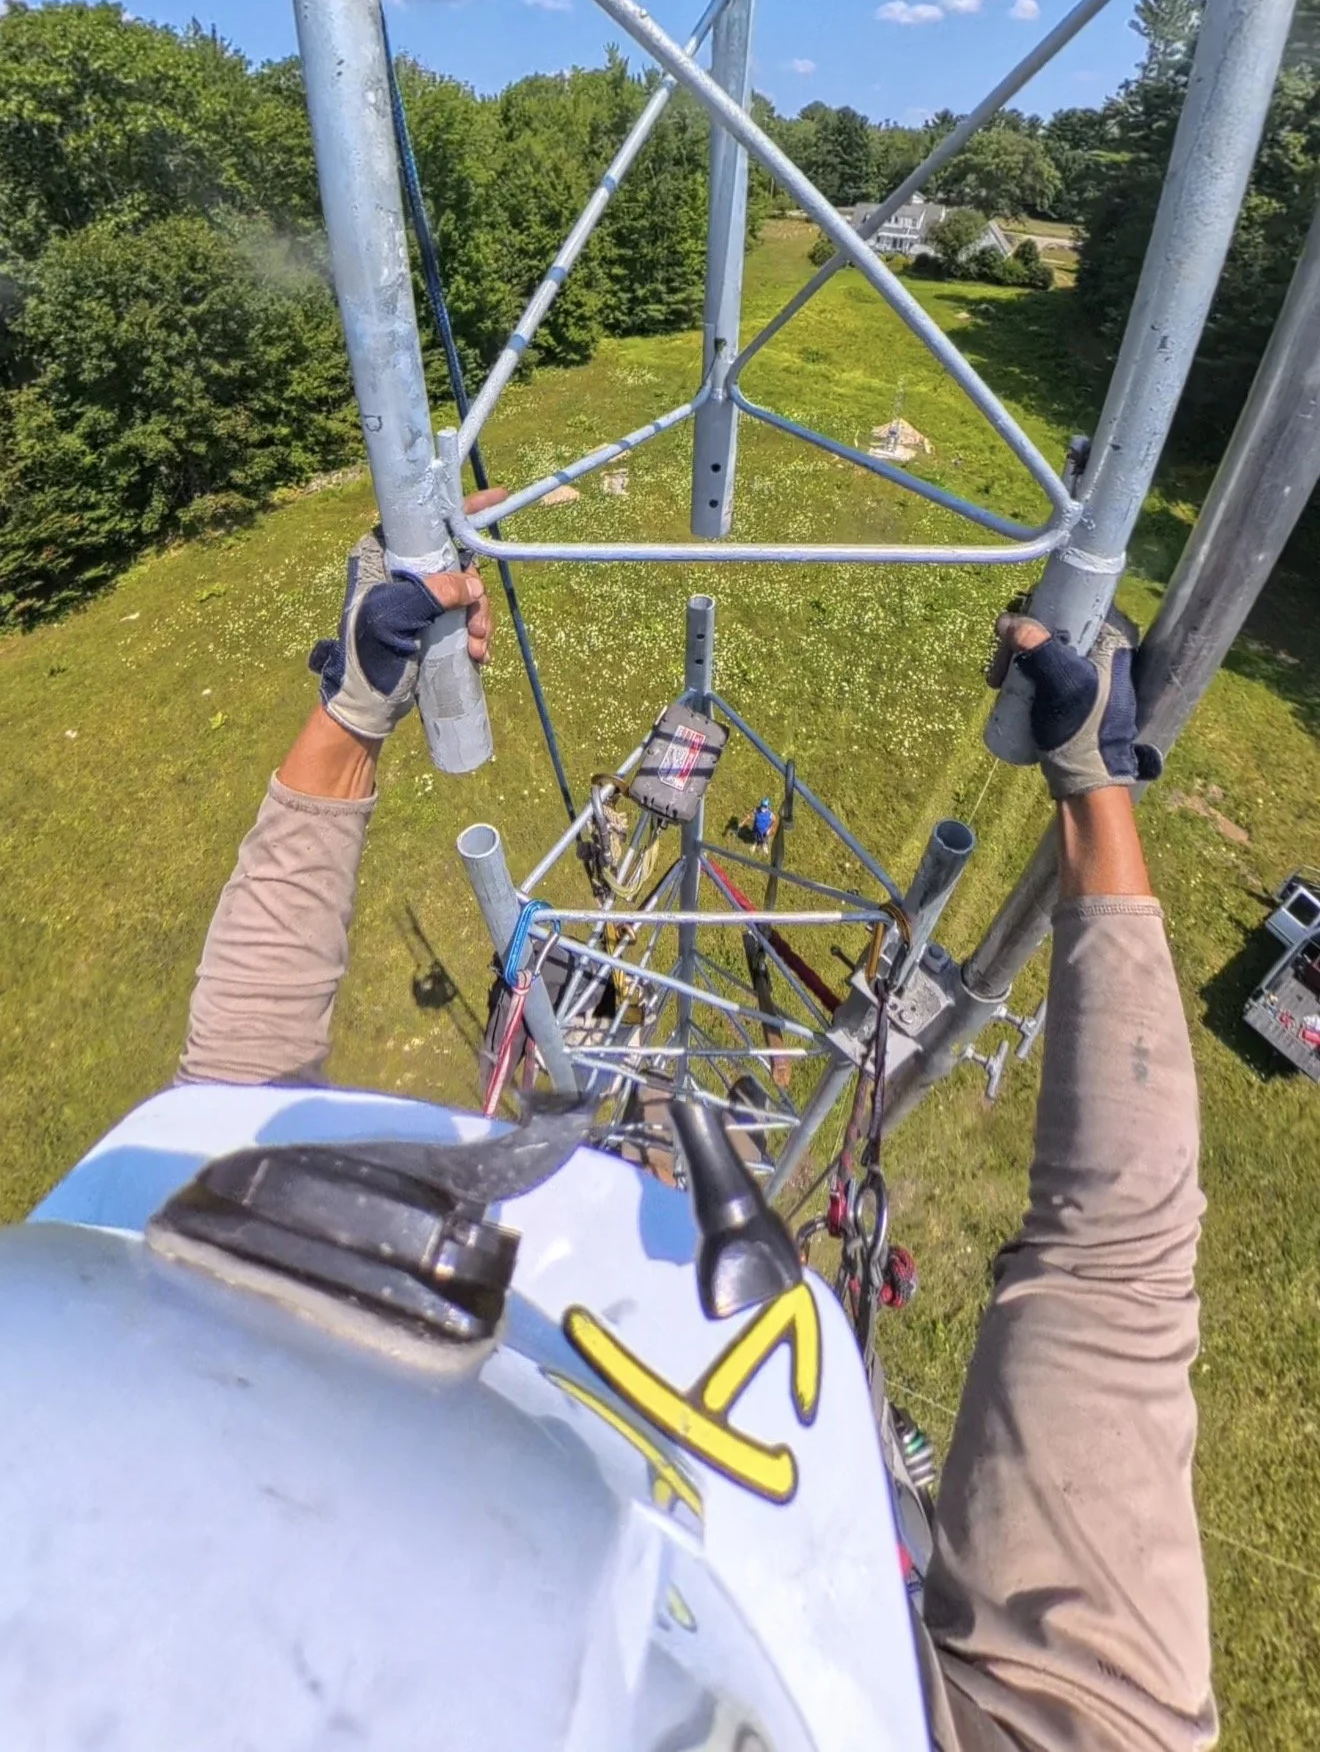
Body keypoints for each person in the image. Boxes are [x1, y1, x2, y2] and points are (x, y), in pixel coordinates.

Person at [177, 539, 1216, 1752]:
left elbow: (221, 1148)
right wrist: (1096, 788)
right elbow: (1115, 1271)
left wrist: (350, 719)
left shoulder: (218, 1621)